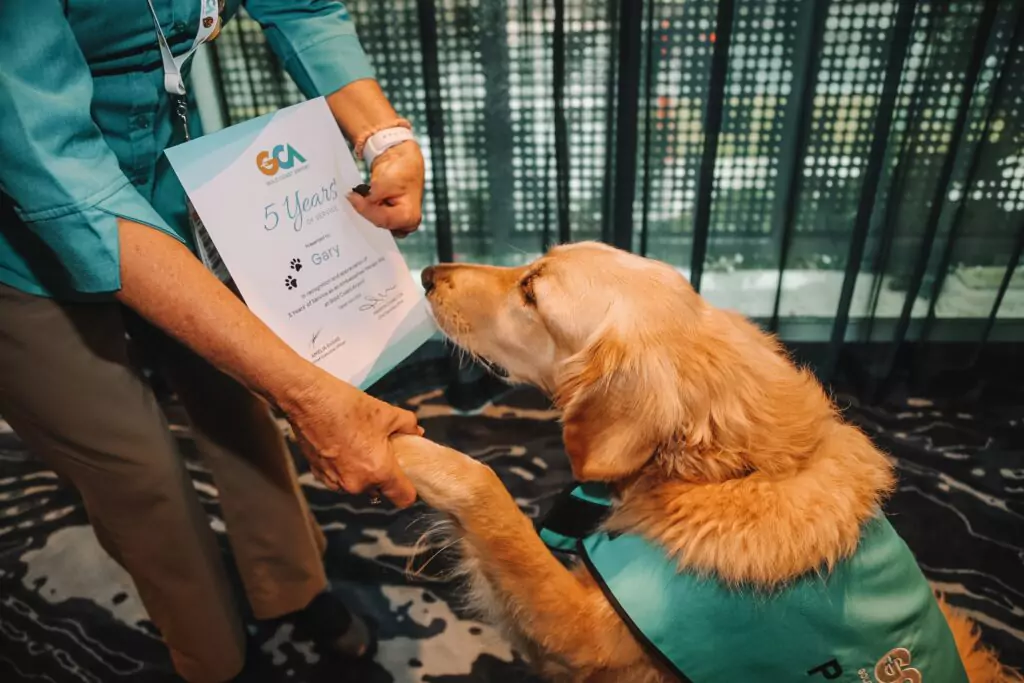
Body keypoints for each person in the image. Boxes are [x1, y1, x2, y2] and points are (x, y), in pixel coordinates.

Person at [0, 1, 427, 681]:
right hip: (19, 238)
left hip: (171, 184)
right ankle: (212, 658)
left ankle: (293, 586)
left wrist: (383, 137)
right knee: (136, 470)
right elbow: (56, 177)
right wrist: (308, 393)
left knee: (237, 403)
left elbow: (303, 6)